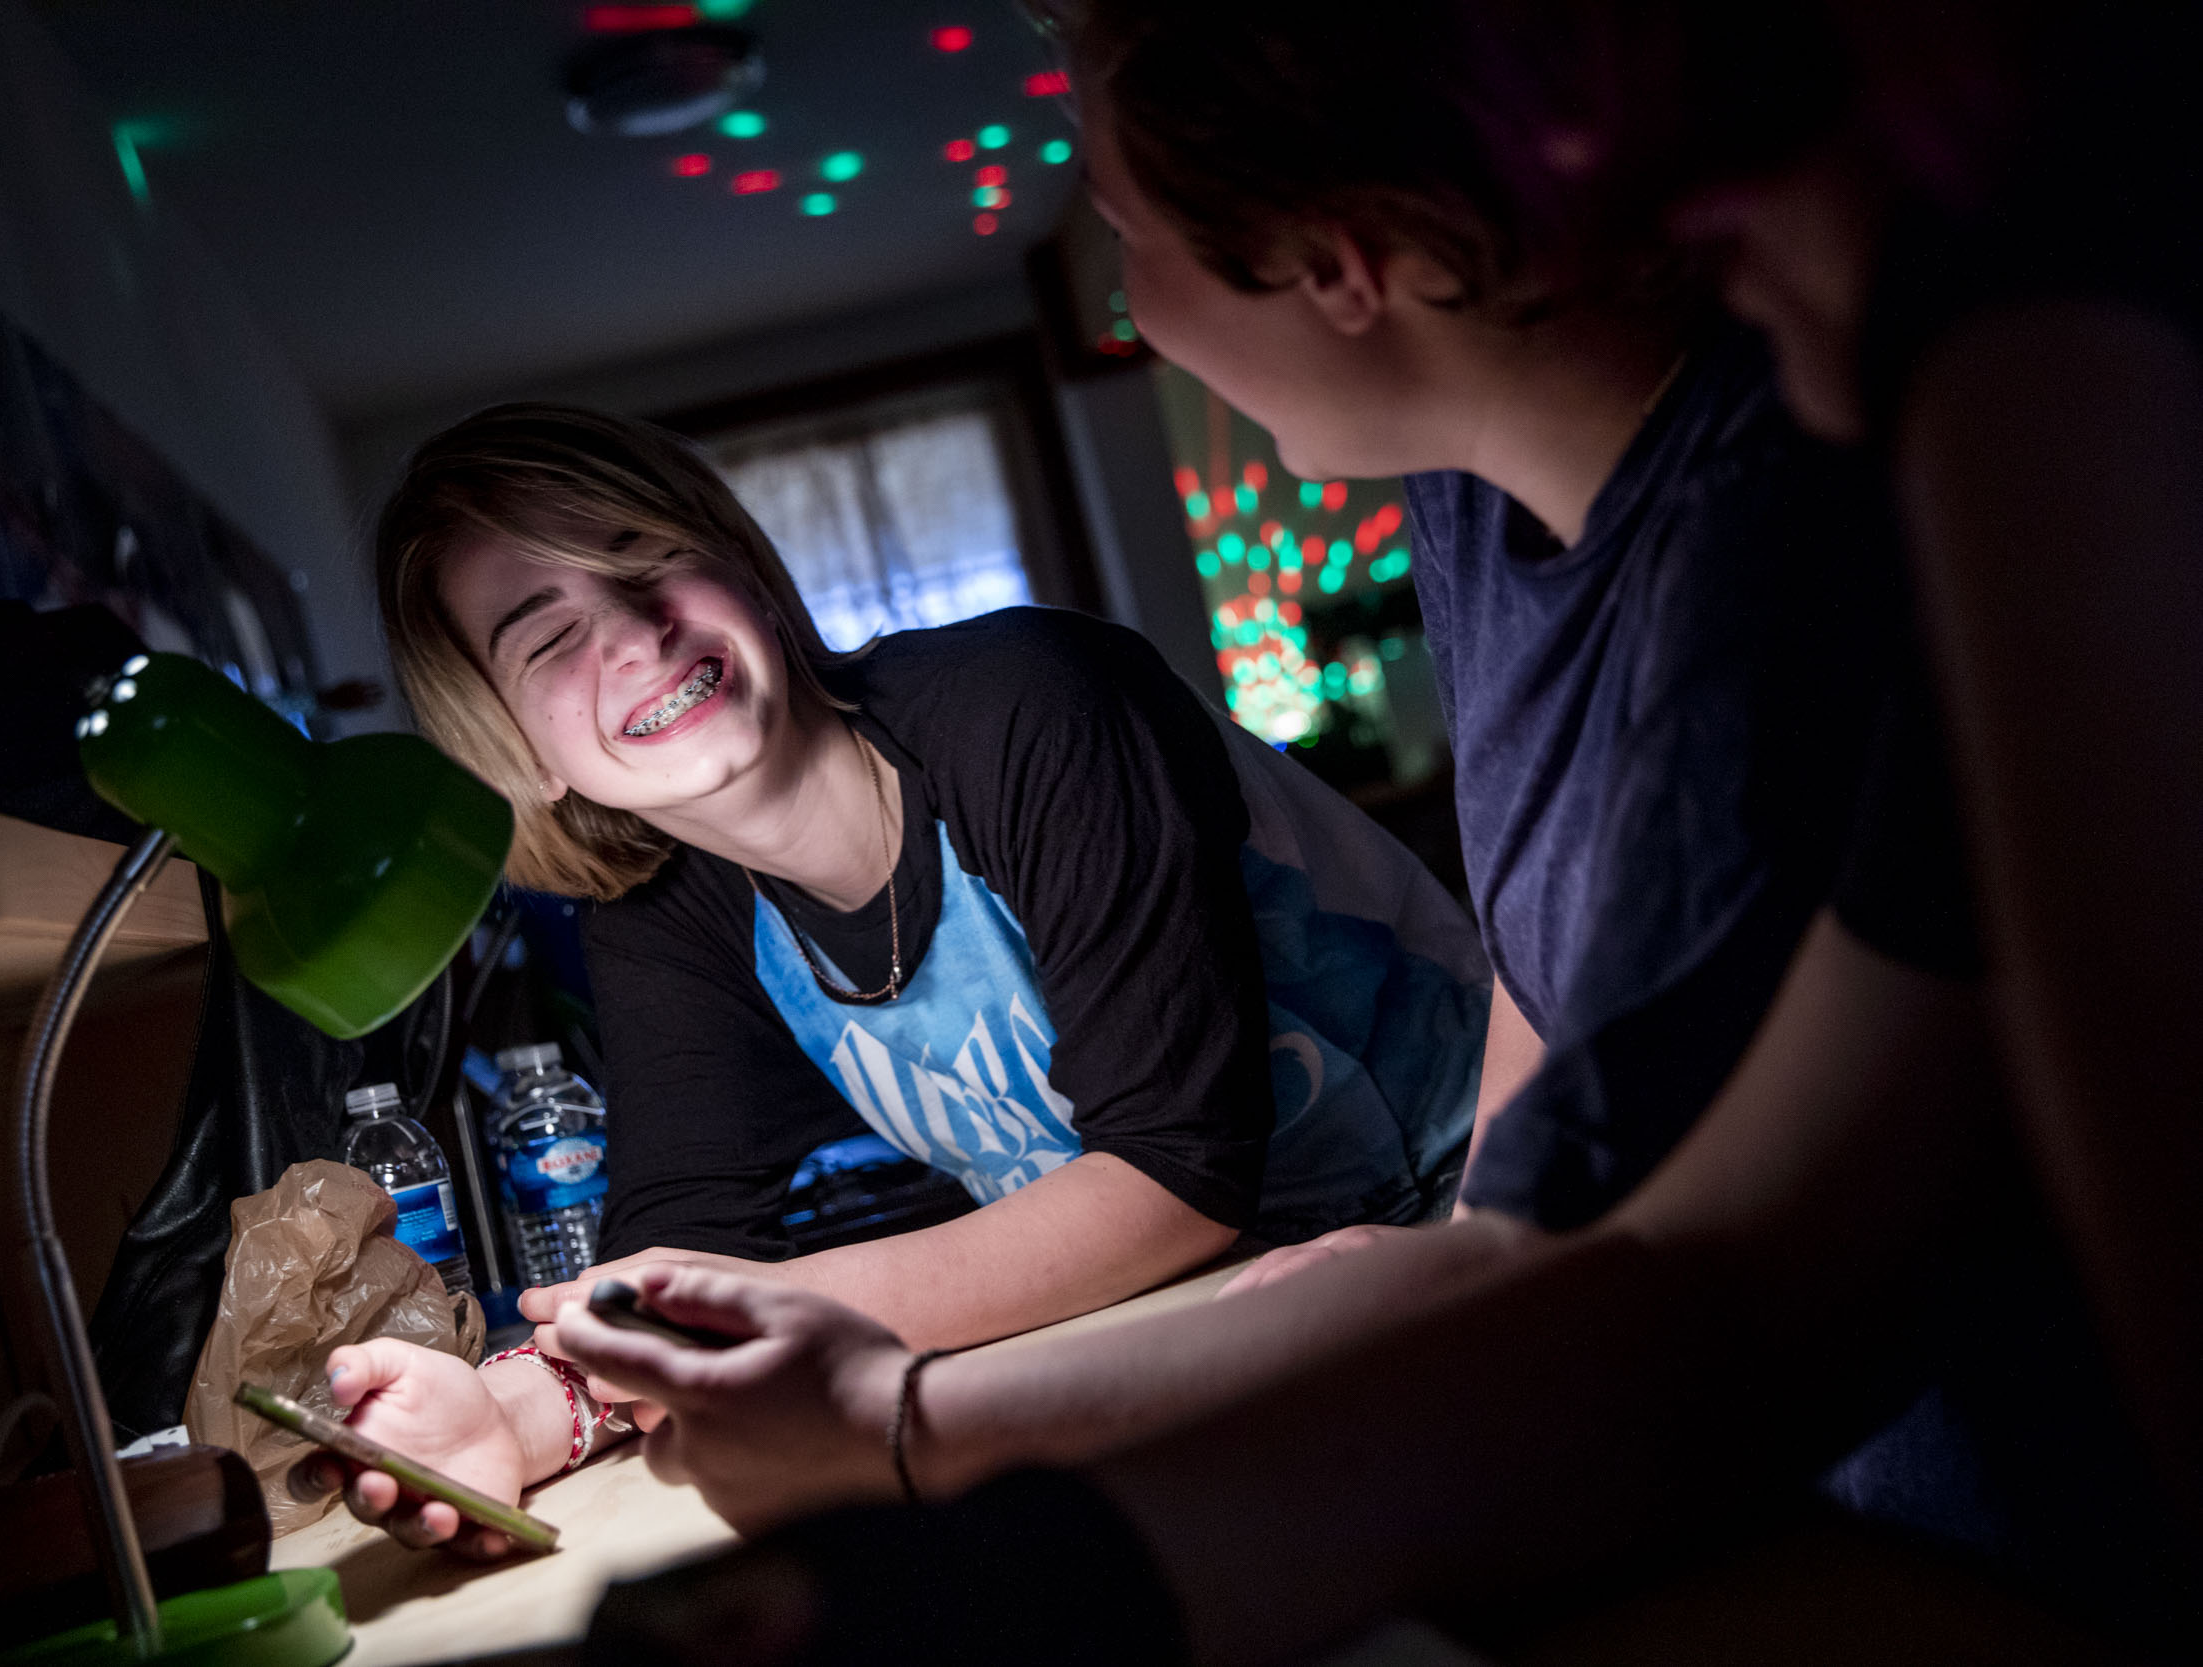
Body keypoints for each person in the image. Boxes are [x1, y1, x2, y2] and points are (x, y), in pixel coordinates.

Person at [550, 0, 2201, 1656]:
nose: (1710, 256)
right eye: (543, 641)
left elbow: (1656, 1296)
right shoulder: (1517, 506)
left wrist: (926, 1444)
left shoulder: (1977, 403)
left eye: (1128, 233)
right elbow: (1715, 1254)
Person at [299, 400, 1494, 1551]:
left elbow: (1177, 1173)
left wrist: (755, 1324)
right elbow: (686, 1239)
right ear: (519, 751)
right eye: (548, 637)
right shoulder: (665, 911)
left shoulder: (1026, 698)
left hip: (1481, 1220)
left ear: (745, 567)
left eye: (646, 556)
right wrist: (515, 1411)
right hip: (1206, 1325)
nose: (631, 632)